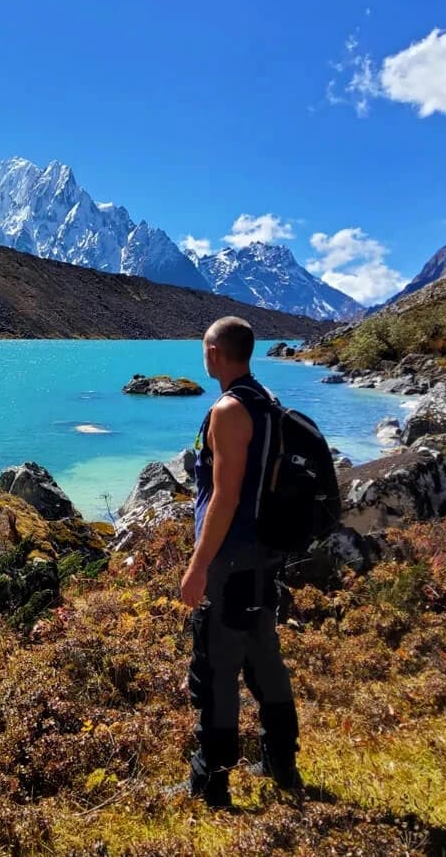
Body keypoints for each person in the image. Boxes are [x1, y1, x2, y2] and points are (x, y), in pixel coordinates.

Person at [178, 316, 302, 808]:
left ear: (215, 352)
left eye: (205, 347)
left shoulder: (229, 410)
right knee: (265, 659)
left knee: (215, 670)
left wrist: (198, 565)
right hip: (264, 556)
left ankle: (212, 783)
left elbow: (225, 498)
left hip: (231, 560)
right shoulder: (266, 401)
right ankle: (281, 762)